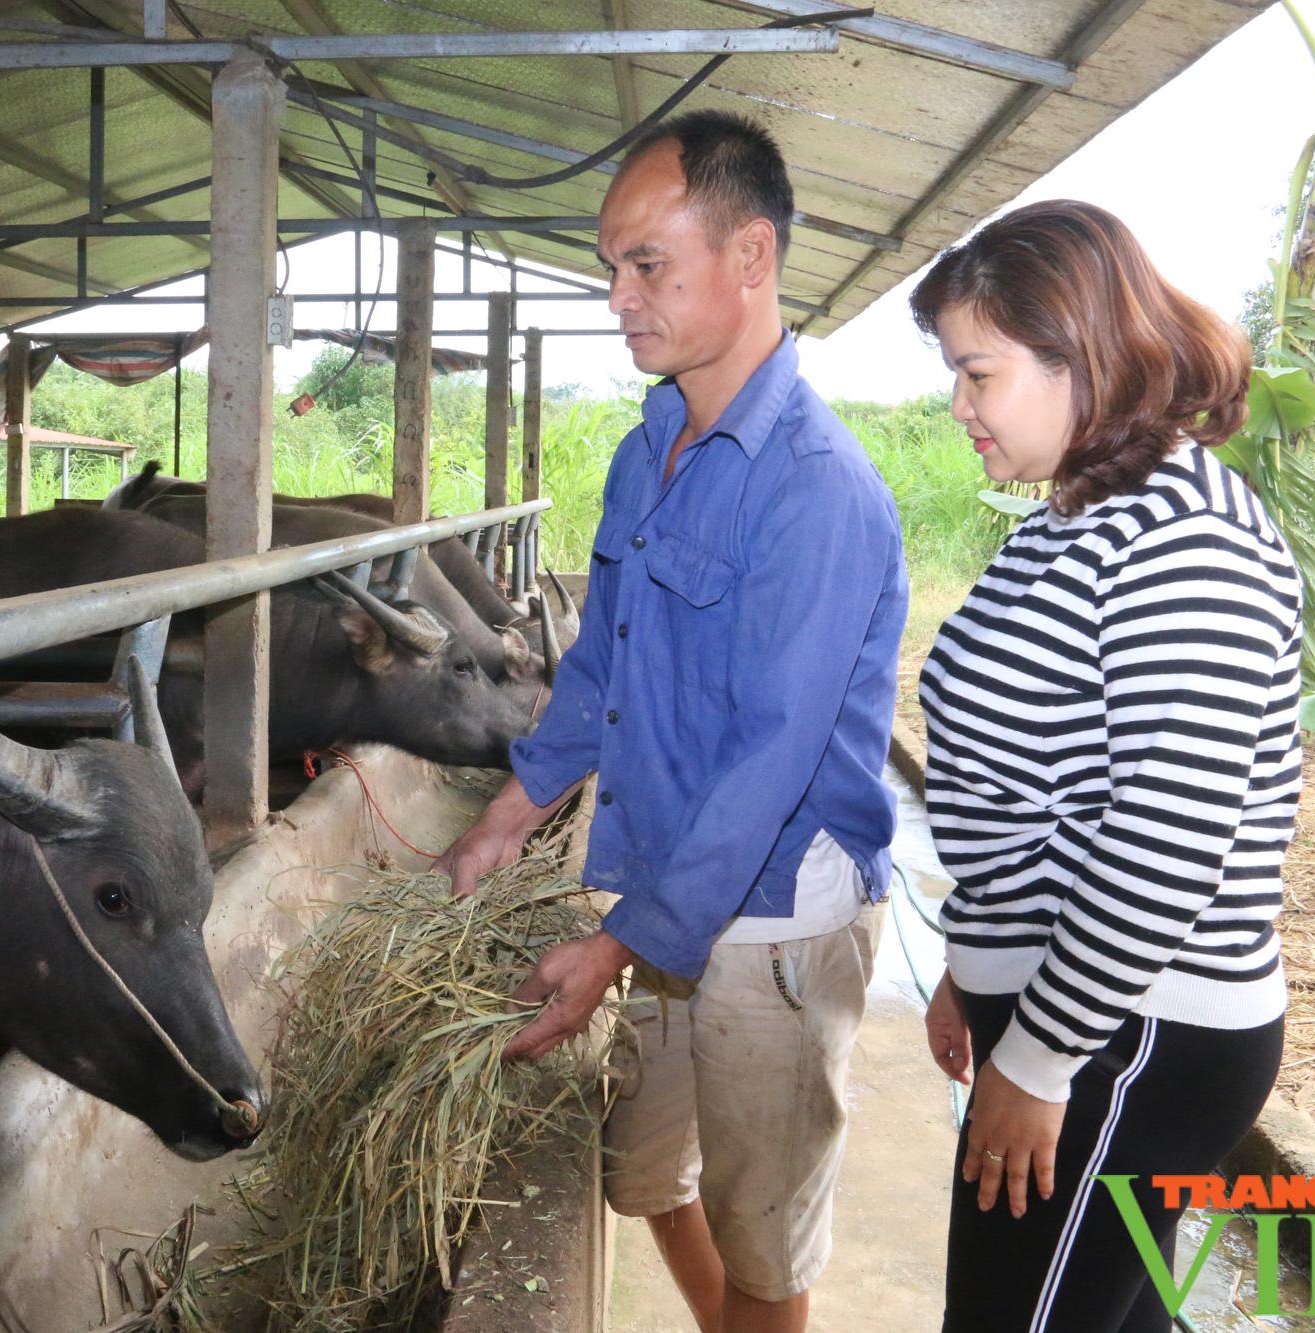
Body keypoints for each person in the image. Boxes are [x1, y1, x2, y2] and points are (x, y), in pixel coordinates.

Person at [433, 109, 907, 1333]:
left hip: (771, 923)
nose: (617, 297)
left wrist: (608, 948)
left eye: (646, 264)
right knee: (640, 1172)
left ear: (749, 258)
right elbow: (604, 664)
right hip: (658, 888)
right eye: (610, 266)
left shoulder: (817, 487)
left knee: (763, 1249)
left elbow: (767, 764)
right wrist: (507, 812)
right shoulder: (649, 448)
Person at [909, 200, 1302, 1332]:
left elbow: (1164, 840)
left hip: (1130, 1032)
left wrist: (1034, 1059)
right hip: (1082, 1014)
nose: (957, 407)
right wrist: (970, 961)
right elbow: (1040, 787)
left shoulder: (1185, 538)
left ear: (1074, 353)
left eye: (976, 374)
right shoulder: (1072, 516)